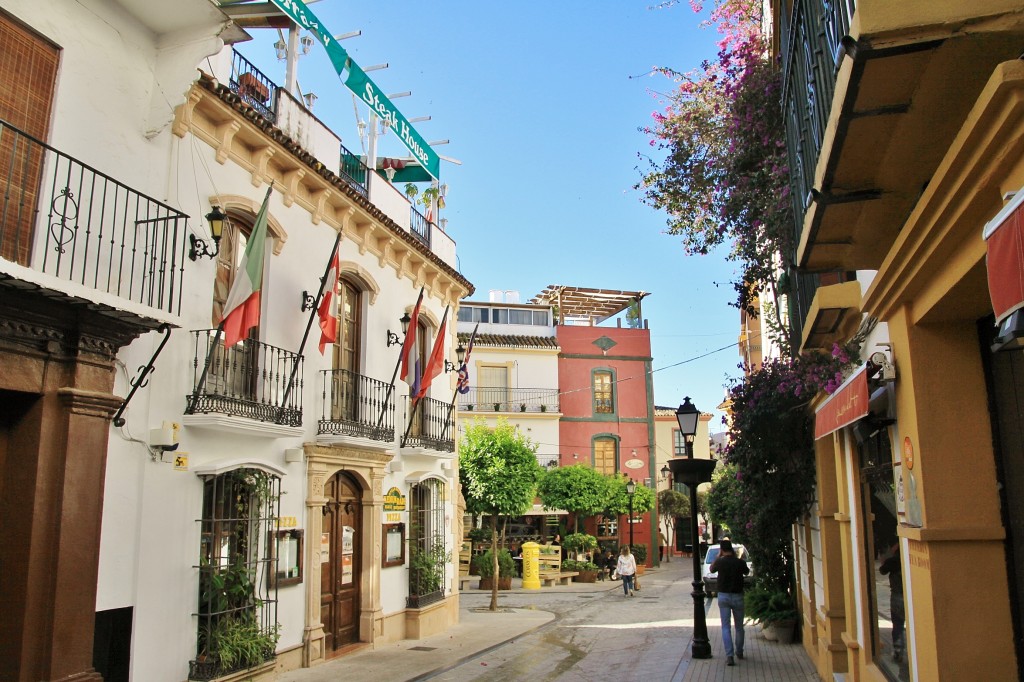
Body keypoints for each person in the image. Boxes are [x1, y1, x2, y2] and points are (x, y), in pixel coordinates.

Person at [710, 539, 749, 666]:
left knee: (725, 627)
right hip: (737, 596)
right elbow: (747, 572)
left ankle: (729, 655)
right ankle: (739, 651)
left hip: (723, 596)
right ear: (731, 549)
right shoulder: (739, 562)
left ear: (722, 550)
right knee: (739, 626)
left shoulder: (720, 562)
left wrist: (717, 557)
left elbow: (711, 569)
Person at [880, 543, 905, 660]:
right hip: (908, 596)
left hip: (897, 596)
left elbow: (882, 570)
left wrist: (890, 553)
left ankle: (898, 651)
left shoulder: (894, 561)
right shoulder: (906, 559)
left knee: (898, 625)